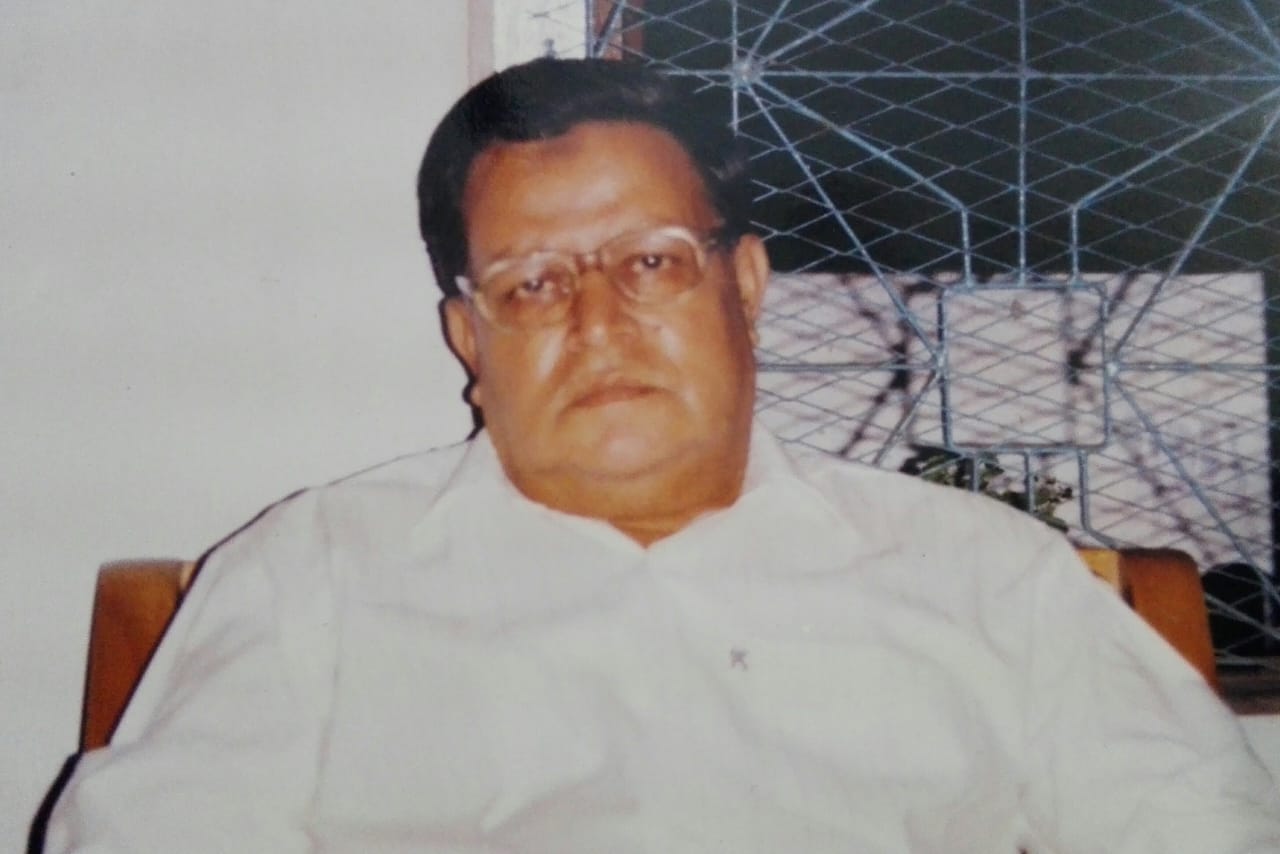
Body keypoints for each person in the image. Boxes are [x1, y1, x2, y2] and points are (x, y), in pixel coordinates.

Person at [44, 57, 1280, 853]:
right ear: (469, 337)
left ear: (745, 286)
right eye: (533, 283)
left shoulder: (987, 576)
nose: (597, 322)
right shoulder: (308, 576)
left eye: (650, 261)